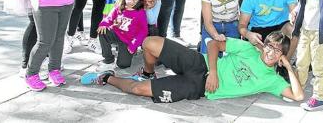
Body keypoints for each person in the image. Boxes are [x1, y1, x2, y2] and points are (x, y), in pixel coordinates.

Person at [80, 31, 304, 103]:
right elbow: (213, 43)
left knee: (138, 90)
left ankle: (107, 77)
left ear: (282, 56)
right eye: (268, 46)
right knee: (149, 42)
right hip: (200, 63)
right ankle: (147, 72)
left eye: (276, 51)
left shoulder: (273, 80)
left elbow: (298, 96)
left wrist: (288, 67)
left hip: (197, 87)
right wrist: (214, 72)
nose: (269, 52)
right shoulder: (249, 50)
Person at [96, 0, 148, 71]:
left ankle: (130, 51)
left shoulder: (141, 12)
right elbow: (109, 18)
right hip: (116, 33)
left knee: (123, 65)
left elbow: (143, 31)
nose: (132, 1)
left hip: (128, 40)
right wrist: (103, 24)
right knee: (102, 32)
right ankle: (109, 60)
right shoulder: (119, 6)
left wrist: (134, 44)